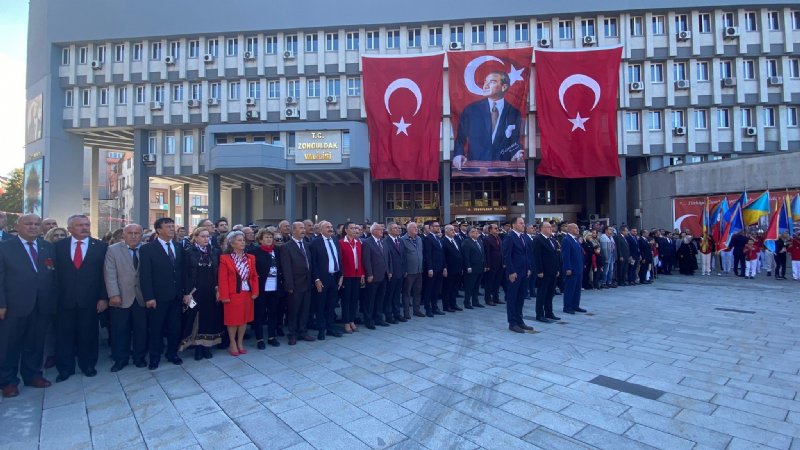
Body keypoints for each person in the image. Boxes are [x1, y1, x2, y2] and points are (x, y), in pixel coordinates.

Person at [0, 214, 57, 398]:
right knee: (9, 345)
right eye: (28, 224)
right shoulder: (5, 248)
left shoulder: (47, 247)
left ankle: (33, 375)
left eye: (36, 224)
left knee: (35, 343)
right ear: (18, 226)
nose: (33, 227)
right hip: (14, 305)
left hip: (41, 304)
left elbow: (52, 275)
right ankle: (8, 382)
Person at [53, 214, 108, 382]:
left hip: (90, 300)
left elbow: (105, 275)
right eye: (79, 225)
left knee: (89, 335)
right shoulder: (57, 247)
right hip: (64, 300)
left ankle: (88, 365)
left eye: (87, 224)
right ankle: (65, 368)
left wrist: (103, 298)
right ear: (69, 229)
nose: (84, 228)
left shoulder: (100, 246)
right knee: (63, 336)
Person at [139, 217, 187, 370]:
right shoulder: (148, 249)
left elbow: (182, 273)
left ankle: (172, 353)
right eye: (168, 226)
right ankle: (154, 357)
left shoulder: (179, 247)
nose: (172, 229)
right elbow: (145, 275)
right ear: (159, 230)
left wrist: (185, 293)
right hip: (158, 298)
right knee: (156, 328)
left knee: (175, 327)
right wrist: (149, 297)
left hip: (176, 296)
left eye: (173, 226)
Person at [452, 71, 523, 168]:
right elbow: (460, 138)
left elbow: (515, 139)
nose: (485, 86)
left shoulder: (514, 112)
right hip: (476, 168)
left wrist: (516, 153)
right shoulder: (471, 110)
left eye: (492, 82)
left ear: (504, 87)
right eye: (485, 82)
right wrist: (458, 154)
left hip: (503, 169)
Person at [104, 223, 148, 372]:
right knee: (120, 330)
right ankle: (120, 359)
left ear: (142, 235)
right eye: (130, 233)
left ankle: (139, 357)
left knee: (141, 329)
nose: (134, 236)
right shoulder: (113, 250)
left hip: (142, 297)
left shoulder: (148, 249)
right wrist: (114, 294)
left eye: (137, 233)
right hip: (121, 297)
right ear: (124, 235)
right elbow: (110, 274)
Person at [181, 227, 223, 360]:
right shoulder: (188, 252)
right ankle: (197, 347)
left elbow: (218, 272)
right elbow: (186, 274)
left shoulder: (215, 252)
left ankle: (207, 347)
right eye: (203, 236)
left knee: (209, 318)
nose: (206, 239)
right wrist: (187, 292)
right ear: (196, 237)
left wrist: (218, 289)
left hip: (211, 290)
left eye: (208, 236)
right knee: (195, 318)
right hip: (195, 291)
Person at [218, 231, 259, 355]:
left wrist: (255, 291)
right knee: (233, 320)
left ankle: (240, 342)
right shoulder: (225, 258)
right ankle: (232, 342)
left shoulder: (250, 258)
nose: (243, 242)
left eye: (243, 240)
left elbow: (254, 276)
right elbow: (222, 279)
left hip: (247, 292)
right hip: (233, 294)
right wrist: (224, 296)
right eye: (239, 240)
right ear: (232, 243)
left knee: (244, 319)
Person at [281, 222, 315, 345]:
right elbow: (286, 268)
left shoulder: (306, 245)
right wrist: (289, 285)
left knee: (305, 309)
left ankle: (303, 331)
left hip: (307, 283)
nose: (303, 230)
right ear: (293, 230)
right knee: (293, 310)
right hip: (295, 284)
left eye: (303, 228)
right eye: (300, 228)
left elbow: (309, 264)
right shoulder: (287, 247)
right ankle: (292, 334)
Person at [308, 221, 343, 340]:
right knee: (320, 305)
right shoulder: (315, 243)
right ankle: (321, 330)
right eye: (327, 227)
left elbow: (339, 258)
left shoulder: (335, 240)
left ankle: (330, 328)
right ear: (321, 229)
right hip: (322, 279)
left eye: (331, 227)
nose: (330, 229)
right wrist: (316, 279)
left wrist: (341, 275)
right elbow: (313, 263)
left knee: (331, 305)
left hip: (335, 278)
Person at [250, 228, 283, 348]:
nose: (269, 239)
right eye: (266, 237)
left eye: (270, 237)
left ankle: (271, 337)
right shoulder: (254, 252)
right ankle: (259, 339)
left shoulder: (278, 250)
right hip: (261, 288)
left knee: (273, 313)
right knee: (259, 314)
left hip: (275, 287)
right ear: (260, 240)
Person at [501, 217, 532, 333]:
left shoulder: (523, 237)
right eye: (521, 223)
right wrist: (511, 272)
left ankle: (520, 320)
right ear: (514, 225)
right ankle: (512, 322)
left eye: (523, 223)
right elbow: (507, 256)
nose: (523, 225)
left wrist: (529, 268)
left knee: (521, 297)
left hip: (524, 272)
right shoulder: (509, 237)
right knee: (512, 298)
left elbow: (527, 254)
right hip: (514, 273)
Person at [361, 223, 391, 328]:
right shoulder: (367, 243)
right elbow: (366, 260)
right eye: (379, 229)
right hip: (373, 276)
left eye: (382, 229)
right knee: (370, 299)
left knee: (380, 298)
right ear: (373, 231)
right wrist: (369, 274)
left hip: (383, 275)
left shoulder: (383, 242)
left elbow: (387, 258)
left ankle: (378, 318)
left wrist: (389, 271)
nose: (382, 231)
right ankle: (368, 320)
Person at [532, 222, 560, 323]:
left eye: (551, 227)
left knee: (550, 293)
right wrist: (539, 270)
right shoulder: (538, 240)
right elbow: (537, 257)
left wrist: (557, 269)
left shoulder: (552, 239)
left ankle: (549, 312)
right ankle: (539, 314)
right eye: (548, 227)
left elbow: (555, 255)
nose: (550, 229)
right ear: (541, 228)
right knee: (542, 294)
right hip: (544, 272)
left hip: (552, 271)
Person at [422, 221, 447, 317]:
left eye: (439, 226)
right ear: (431, 228)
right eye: (436, 226)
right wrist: (430, 268)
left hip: (440, 267)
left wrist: (444, 267)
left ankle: (435, 306)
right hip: (432, 268)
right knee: (429, 289)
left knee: (436, 289)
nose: (438, 228)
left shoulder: (438, 238)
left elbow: (442, 254)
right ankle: (428, 309)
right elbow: (427, 254)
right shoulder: (428, 239)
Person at [561, 223, 587, 315]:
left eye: (577, 227)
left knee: (577, 289)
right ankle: (567, 307)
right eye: (575, 228)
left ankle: (575, 305)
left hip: (578, 268)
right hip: (571, 269)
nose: (578, 229)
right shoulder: (566, 240)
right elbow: (565, 255)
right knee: (570, 288)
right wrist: (567, 268)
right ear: (570, 229)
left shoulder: (575, 239)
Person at [400, 222, 424, 318]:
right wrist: (404, 270)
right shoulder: (403, 240)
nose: (416, 229)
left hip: (419, 270)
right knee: (407, 292)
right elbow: (402, 257)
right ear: (408, 229)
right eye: (414, 227)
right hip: (409, 271)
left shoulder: (419, 239)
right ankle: (406, 313)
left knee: (417, 292)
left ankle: (416, 310)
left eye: (417, 227)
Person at [384, 222, 406, 323]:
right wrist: (389, 271)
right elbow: (386, 259)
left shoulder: (400, 241)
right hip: (391, 273)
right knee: (390, 295)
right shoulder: (385, 241)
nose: (398, 229)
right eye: (395, 228)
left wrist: (404, 270)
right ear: (389, 231)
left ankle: (397, 314)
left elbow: (403, 257)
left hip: (400, 272)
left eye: (398, 228)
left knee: (397, 294)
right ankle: (389, 315)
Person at [441, 224, 465, 312]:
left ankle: (453, 304)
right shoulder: (443, 241)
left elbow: (459, 254)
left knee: (455, 288)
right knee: (447, 288)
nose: (453, 231)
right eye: (451, 230)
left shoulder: (456, 240)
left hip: (458, 268)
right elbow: (443, 256)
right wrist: (445, 268)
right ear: (446, 231)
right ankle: (446, 306)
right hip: (449, 269)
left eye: (454, 230)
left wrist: (461, 267)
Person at [460, 226, 485, 310]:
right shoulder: (466, 242)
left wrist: (484, 265)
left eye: (476, 231)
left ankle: (475, 301)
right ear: (469, 233)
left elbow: (482, 254)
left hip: (479, 267)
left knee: (476, 286)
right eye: (474, 231)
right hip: (471, 268)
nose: (476, 232)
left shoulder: (479, 241)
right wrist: (468, 267)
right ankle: (467, 302)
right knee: (469, 286)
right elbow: (466, 256)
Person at [483, 223, 504, 306]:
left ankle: (496, 298)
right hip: (491, 264)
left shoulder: (498, 237)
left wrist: (503, 262)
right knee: (489, 282)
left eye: (497, 228)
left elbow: (501, 251)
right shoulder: (487, 239)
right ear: (490, 230)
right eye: (495, 228)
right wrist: (487, 265)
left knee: (497, 282)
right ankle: (488, 299)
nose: (497, 229)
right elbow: (486, 253)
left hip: (499, 264)